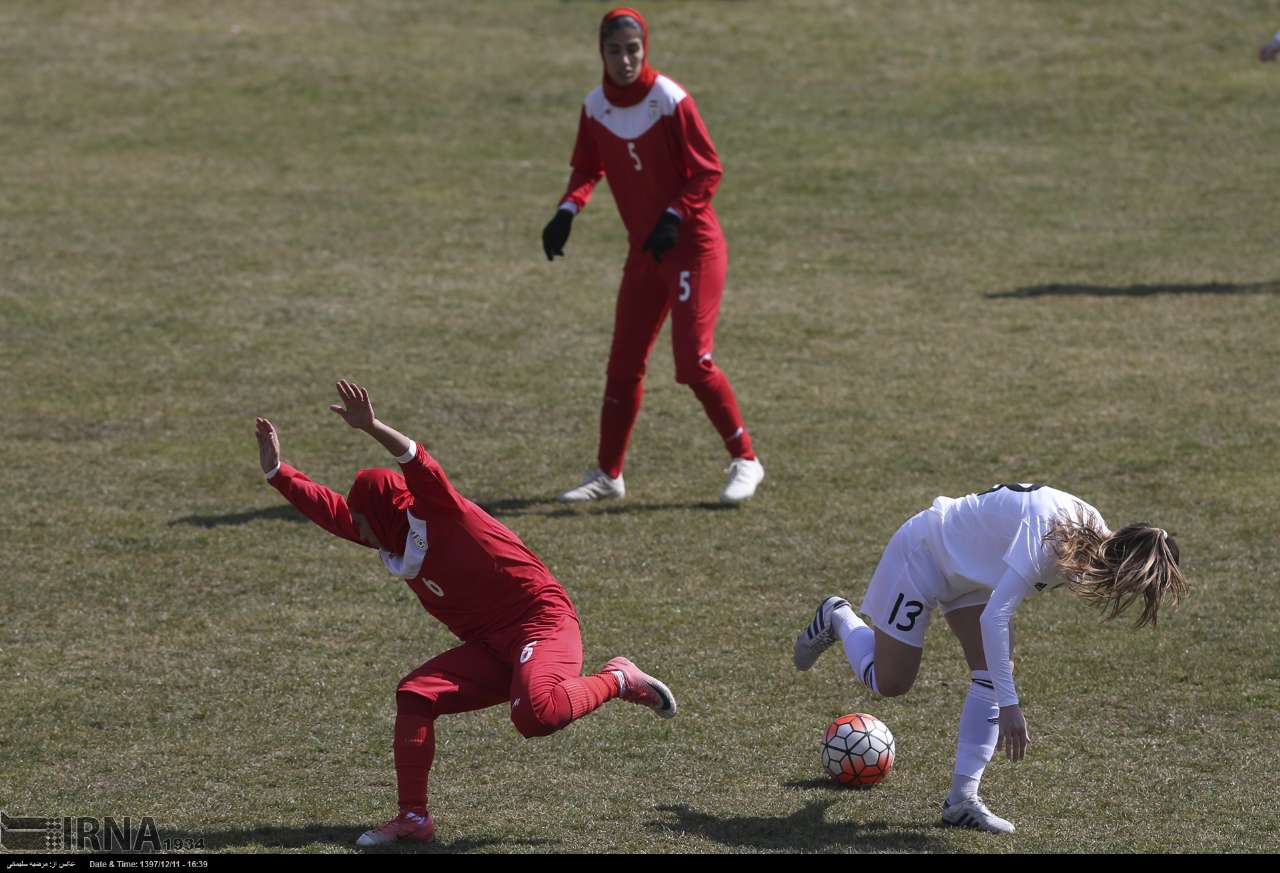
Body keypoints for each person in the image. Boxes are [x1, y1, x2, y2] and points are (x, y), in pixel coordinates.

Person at [255, 380, 677, 847]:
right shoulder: (388, 533)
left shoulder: (440, 512)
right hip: (490, 644)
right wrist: (277, 472)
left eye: (363, 522)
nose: (357, 530)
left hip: (541, 621)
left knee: (537, 716)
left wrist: (373, 427)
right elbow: (332, 510)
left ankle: (620, 678)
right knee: (416, 694)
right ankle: (413, 819)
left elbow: (419, 463)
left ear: (383, 515)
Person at [791, 483, 1187, 834]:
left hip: (970, 576)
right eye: (1130, 581)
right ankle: (838, 616)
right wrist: (1010, 705)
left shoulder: (1091, 531)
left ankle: (962, 801)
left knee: (991, 674)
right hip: (923, 556)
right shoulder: (1050, 536)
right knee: (891, 682)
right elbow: (995, 617)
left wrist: (1004, 689)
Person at [542, 6, 764, 505]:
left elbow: (708, 170)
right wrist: (565, 212)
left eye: (633, 50)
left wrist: (674, 216)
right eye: (615, 50)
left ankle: (746, 459)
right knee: (622, 365)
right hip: (646, 253)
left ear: (646, 50)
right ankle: (608, 474)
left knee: (692, 363)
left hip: (693, 246)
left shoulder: (669, 100)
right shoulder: (595, 106)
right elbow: (585, 168)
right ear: (601, 52)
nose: (625, 60)